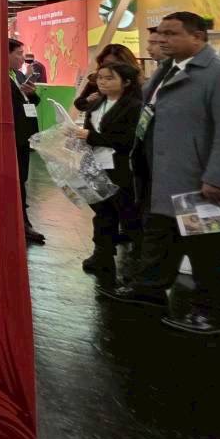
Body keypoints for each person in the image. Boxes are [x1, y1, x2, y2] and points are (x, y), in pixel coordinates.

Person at [100, 12, 220, 335]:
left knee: (208, 248)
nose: (161, 39)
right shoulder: (165, 71)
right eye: (160, 33)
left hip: (196, 183)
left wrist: (218, 177)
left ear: (197, 37)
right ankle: (149, 289)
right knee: (160, 236)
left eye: (171, 33)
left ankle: (213, 315)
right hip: (160, 176)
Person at [71, 62, 142, 286]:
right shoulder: (97, 102)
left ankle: (138, 265)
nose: (102, 82)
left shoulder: (134, 106)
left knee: (128, 215)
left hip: (121, 168)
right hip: (95, 165)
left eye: (109, 78)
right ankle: (102, 255)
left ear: (126, 82)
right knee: (102, 212)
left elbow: (128, 140)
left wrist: (90, 137)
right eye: (100, 77)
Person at [9, 39, 45, 245]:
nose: (23, 58)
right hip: (11, 138)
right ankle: (21, 223)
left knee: (21, 179)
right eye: (18, 53)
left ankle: (22, 221)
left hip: (23, 138)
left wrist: (31, 94)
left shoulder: (18, 76)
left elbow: (29, 102)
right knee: (16, 180)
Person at [74, 44, 139, 112]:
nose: (110, 68)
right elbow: (79, 103)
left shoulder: (136, 83)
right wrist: (88, 100)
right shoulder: (95, 80)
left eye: (115, 64)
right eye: (107, 63)